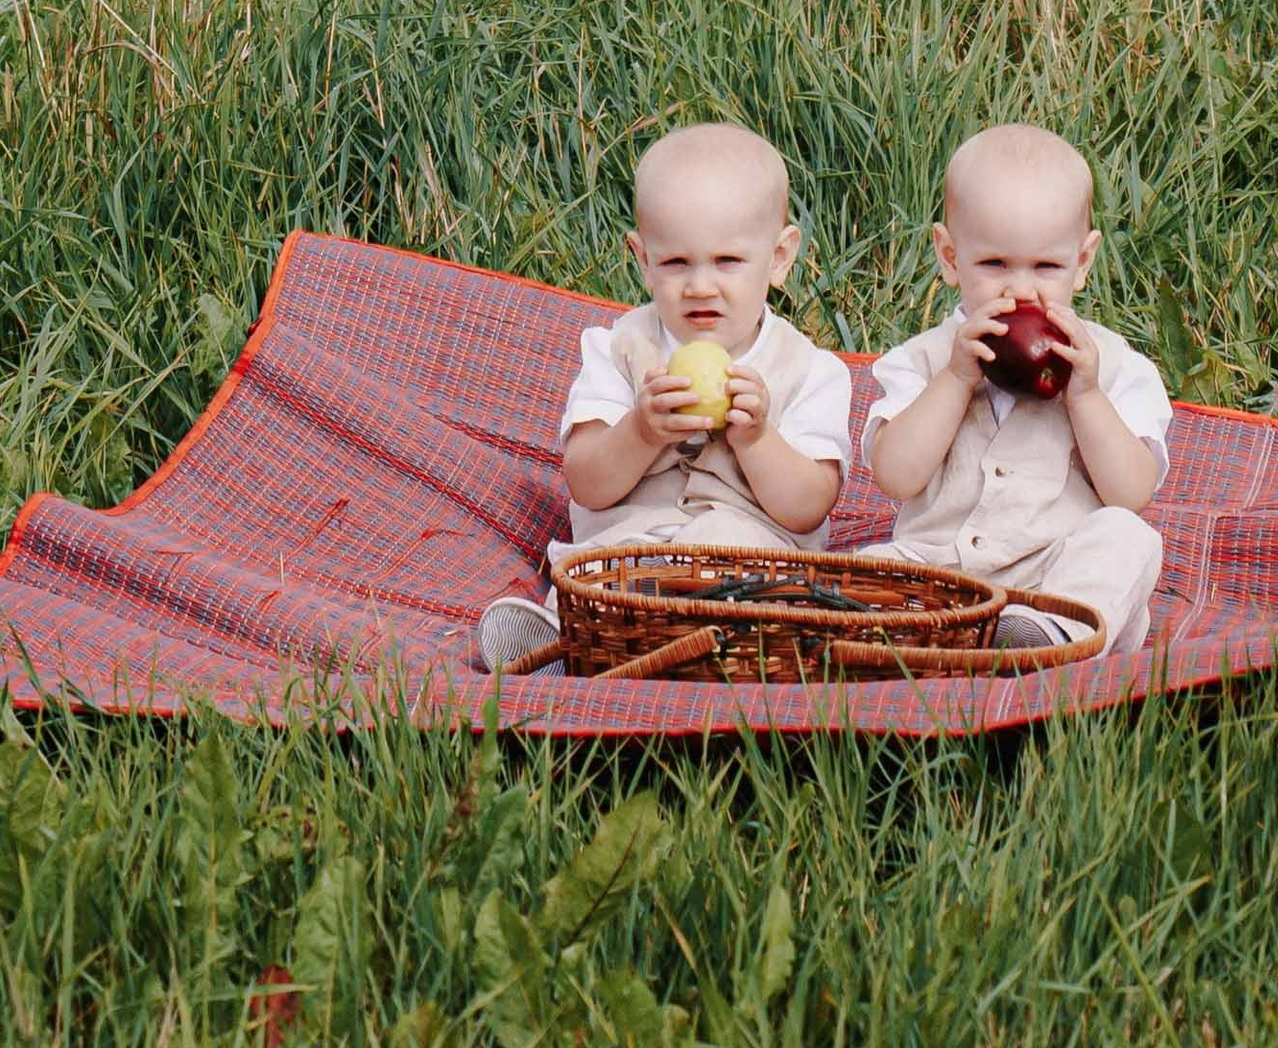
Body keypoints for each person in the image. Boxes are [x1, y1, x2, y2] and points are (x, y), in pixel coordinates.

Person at [475, 121, 851, 673]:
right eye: (676, 263)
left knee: (759, 581)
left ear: (779, 256)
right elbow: (587, 482)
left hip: (743, 558)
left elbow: (808, 508)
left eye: (727, 261)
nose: (700, 286)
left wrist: (757, 437)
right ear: (642, 257)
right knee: (595, 577)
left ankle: (693, 647)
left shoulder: (812, 370)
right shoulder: (618, 349)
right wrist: (642, 430)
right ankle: (557, 640)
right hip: (628, 551)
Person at [862, 122, 1168, 655]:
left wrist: (1086, 396)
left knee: (1127, 537)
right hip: (940, 569)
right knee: (863, 569)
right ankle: (920, 633)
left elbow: (1131, 492)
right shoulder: (923, 361)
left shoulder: (1113, 367)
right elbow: (895, 476)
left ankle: (1053, 637)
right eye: (994, 264)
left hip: (1057, 575)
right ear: (951, 257)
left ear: (1083, 262)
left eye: (1046, 266)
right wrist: (956, 379)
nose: (1020, 289)